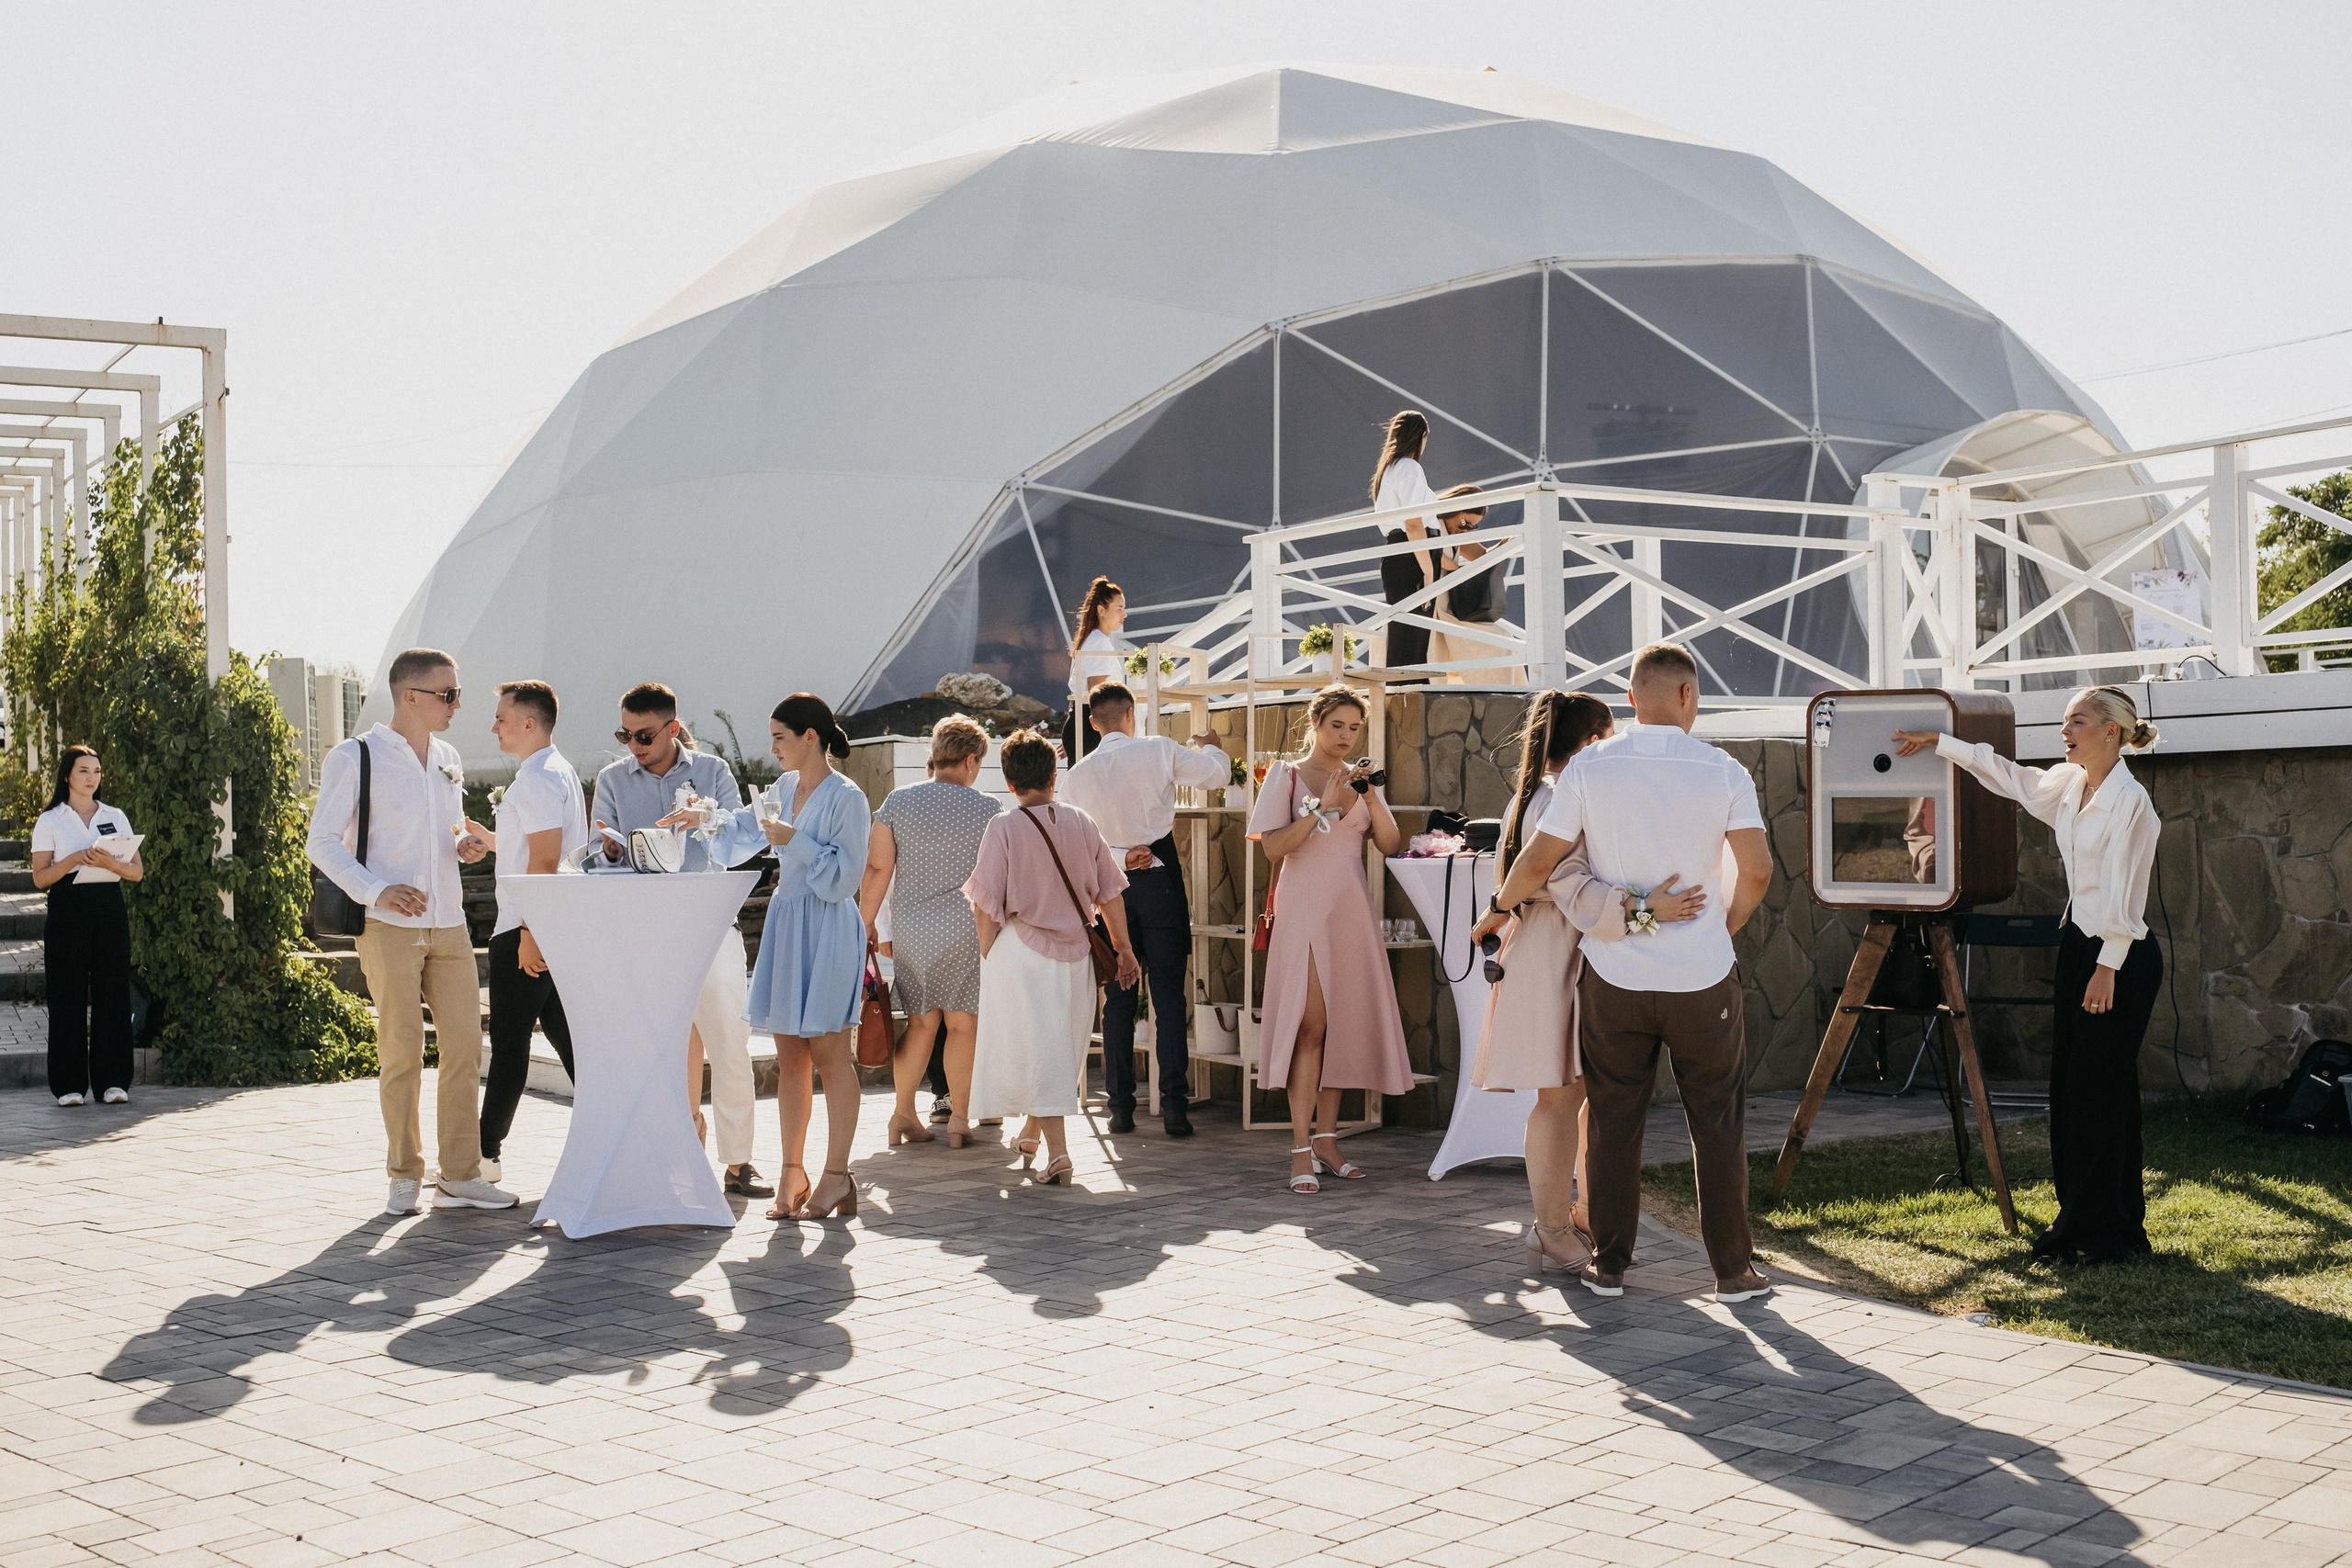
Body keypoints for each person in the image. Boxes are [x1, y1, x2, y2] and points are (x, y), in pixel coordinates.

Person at [1493, 642, 1771, 1302]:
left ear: (1631, 698)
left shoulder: (1589, 768)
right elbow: (1758, 871)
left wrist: (1499, 907)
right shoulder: (1725, 770)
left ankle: (1610, 1265)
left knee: (1614, 1120)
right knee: (1718, 1123)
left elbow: (1538, 862)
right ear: (1687, 694)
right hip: (1703, 977)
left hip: (1614, 977)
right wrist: (1720, 928)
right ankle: (1733, 1272)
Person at [1894, 685, 2164, 1266]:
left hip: (2118, 957)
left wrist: (2107, 969)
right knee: (2075, 1089)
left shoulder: (2131, 802)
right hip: (2080, 946)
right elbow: (2010, 777)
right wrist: (1943, 743)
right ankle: (2100, 1224)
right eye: (2065, 721)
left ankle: (2104, 1233)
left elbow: (2129, 897)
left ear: (2111, 731)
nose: (2065, 732)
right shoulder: (2069, 784)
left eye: (2077, 722)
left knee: (2098, 1094)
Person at [1468, 693, 1706, 1273]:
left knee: (1579, 1095)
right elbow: (1572, 887)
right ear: (1594, 742)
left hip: (1550, 949)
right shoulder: (1562, 798)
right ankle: (1551, 1228)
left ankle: (1578, 1215)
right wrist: (1648, 912)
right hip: (1558, 953)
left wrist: (1501, 906)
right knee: (1560, 1096)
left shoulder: (1536, 793)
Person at [308, 648, 515, 1216]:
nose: (457, 704)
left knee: (465, 1047)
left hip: (449, 923)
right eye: (448, 694)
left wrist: (463, 844)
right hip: (388, 926)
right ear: (410, 697)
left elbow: (446, 830)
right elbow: (320, 841)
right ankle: (404, 1174)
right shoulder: (356, 757)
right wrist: (376, 890)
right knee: (401, 1050)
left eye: (456, 693)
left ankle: (461, 1175)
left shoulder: (447, 757)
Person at [669, 694, 869, 1222]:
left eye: (780, 737)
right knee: (790, 1059)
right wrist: (703, 816)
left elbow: (845, 878)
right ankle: (792, 1172)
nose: (773, 748)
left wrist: (795, 841)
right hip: (788, 924)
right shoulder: (782, 789)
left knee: (830, 1054)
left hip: (827, 927)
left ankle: (837, 1175)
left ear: (810, 737)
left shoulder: (848, 798)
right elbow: (740, 831)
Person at [592, 682, 775, 1201]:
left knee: (730, 1044)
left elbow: (743, 840)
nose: (633, 745)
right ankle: (676, 1154)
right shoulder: (611, 779)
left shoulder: (712, 771)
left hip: (710, 923)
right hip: (646, 931)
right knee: (662, 1051)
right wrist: (608, 852)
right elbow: (594, 854)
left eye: (644, 735)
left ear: (673, 728)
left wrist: (707, 818)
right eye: (625, 735)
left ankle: (738, 1162)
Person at [1246, 685, 1413, 1194]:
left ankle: (1327, 1140)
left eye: (1354, 728)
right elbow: (1273, 848)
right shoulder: (1286, 775)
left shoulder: (1359, 780)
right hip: (1304, 907)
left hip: (1350, 909)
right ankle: (1300, 1147)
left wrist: (1367, 795)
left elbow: (1390, 844)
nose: (1345, 736)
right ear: (1315, 723)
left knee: (1340, 1024)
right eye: (1337, 725)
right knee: (1311, 1026)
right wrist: (1324, 807)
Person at [964, 730, 1140, 1185]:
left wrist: (988, 952)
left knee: (1036, 1049)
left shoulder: (1003, 826)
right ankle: (1030, 1135)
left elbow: (985, 904)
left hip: (1021, 951)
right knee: (1059, 1047)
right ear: (1053, 775)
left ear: (1009, 783)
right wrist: (1124, 948)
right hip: (1077, 953)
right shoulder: (1082, 821)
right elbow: (1110, 893)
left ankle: (1058, 1153)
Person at [1060, 681, 1230, 1135]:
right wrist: (1212, 746)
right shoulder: (1158, 748)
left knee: (1118, 998)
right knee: (1168, 996)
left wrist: (1119, 858)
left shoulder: (1076, 776)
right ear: (1130, 714)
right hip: (1159, 882)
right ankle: (1174, 1108)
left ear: (1093, 723)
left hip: (1109, 892)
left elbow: (1075, 845)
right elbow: (1217, 776)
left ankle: (1120, 1110)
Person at [856, 716, 1001, 1148]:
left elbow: (878, 867)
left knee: (920, 1024)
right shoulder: (989, 809)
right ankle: (959, 1119)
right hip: (965, 929)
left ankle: (903, 1113)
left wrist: (865, 921)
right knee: (962, 1026)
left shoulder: (898, 801)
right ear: (971, 760)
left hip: (913, 931)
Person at [472, 681, 587, 1186]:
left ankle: (483, 1156)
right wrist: (491, 839)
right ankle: (620, 1133)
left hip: (528, 928)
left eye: (501, 718)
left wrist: (529, 932)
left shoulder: (538, 778)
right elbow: (535, 849)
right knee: (571, 1043)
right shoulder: (555, 771)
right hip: (551, 925)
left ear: (529, 723)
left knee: (510, 1044)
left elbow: (545, 859)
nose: (493, 726)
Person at [31, 747, 143, 1108]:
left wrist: (111, 863)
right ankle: (69, 1085)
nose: (91, 777)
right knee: (67, 994)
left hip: (108, 907)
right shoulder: (50, 820)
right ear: (67, 776)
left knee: (113, 991)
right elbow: (40, 878)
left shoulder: (115, 816)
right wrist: (74, 859)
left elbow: (136, 872)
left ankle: (113, 1082)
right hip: (67, 910)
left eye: (96, 771)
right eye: (83, 770)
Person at [1423, 486, 1521, 686]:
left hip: (1449, 602)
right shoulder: (1431, 522)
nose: (1465, 529)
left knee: (1502, 639)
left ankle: (1509, 691)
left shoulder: (1456, 532)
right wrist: (1457, 570)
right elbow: (1433, 555)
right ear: (1453, 508)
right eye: (1464, 522)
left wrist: (1503, 545)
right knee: (1437, 655)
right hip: (1432, 599)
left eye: (1471, 527)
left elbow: (1480, 556)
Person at [1372, 411, 1436, 677]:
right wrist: (1429, 571)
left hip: (1397, 551)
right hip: (1414, 554)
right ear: (1422, 436)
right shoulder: (1409, 467)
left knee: (1402, 634)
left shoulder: (1386, 472)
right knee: (1415, 637)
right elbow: (1413, 524)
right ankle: (1410, 691)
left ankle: (1399, 691)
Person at [1062, 576, 1129, 761]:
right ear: (1101, 610)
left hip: (1082, 722)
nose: (1124, 615)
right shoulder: (1099, 642)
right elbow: (1096, 691)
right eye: (1119, 609)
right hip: (1091, 726)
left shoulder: (1092, 639)